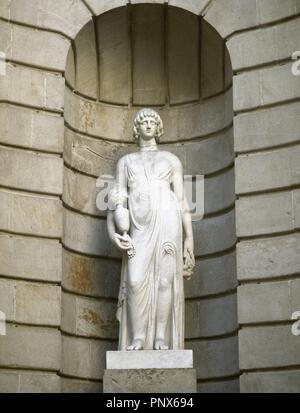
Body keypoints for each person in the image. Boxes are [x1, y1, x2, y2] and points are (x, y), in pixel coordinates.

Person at [107, 108, 195, 351]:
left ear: (158, 128)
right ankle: (138, 337)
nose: (148, 125)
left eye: (152, 122)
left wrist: (189, 239)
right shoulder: (126, 162)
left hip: (168, 224)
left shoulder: (170, 160)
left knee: (165, 281)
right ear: (137, 128)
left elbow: (182, 201)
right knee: (135, 281)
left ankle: (160, 338)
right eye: (143, 121)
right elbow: (115, 204)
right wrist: (113, 234)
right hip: (138, 226)